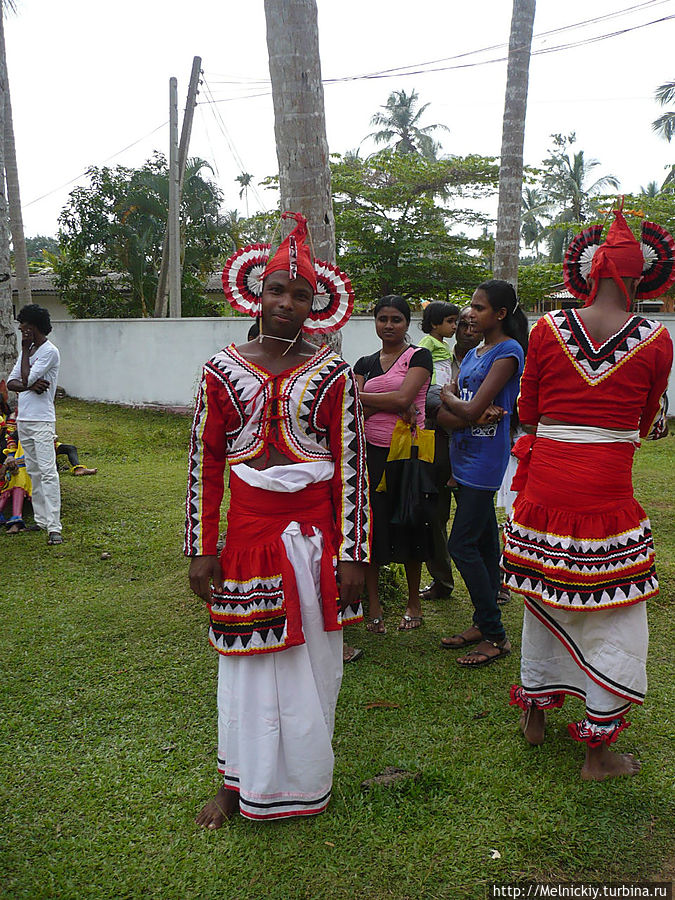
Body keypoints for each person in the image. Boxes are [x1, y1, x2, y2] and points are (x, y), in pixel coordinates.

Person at [186, 212, 370, 826]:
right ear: (254, 293)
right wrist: (199, 547)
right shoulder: (220, 369)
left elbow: (352, 469)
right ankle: (235, 782)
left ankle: (304, 780)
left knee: (311, 664)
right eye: (276, 290)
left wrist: (353, 555)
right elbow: (205, 465)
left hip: (314, 542)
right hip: (246, 537)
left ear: (318, 304)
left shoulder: (335, 372)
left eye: (300, 294)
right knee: (243, 663)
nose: (287, 303)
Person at [503, 206, 674, 780]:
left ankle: (535, 713)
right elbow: (648, 420)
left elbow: (527, 410)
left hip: (545, 483)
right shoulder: (656, 340)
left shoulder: (548, 328)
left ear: (591, 270)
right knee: (613, 615)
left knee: (544, 594)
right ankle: (597, 754)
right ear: (638, 276)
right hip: (606, 488)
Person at [437, 280, 527, 666]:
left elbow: (469, 409)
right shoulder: (475, 351)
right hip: (462, 453)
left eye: (480, 307)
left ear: (501, 314)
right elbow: (464, 410)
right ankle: (482, 621)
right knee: (487, 542)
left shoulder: (508, 352)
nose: (470, 312)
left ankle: (494, 633)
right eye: (470, 305)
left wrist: (449, 399)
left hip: (486, 458)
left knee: (461, 544)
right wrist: (460, 407)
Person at [354, 296, 433, 632]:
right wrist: (389, 401)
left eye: (396, 319)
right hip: (372, 453)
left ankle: (413, 604)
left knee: (412, 526)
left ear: (407, 323)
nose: (388, 325)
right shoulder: (364, 363)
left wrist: (365, 399)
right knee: (374, 529)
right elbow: (354, 411)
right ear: (374, 321)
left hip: (411, 453)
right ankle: (374, 608)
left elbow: (404, 398)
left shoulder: (419, 356)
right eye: (382, 318)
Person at [419, 303, 480, 603]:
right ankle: (441, 581)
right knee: (433, 516)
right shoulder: (434, 354)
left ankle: (493, 585)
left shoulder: (489, 361)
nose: (468, 330)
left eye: (473, 324)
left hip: (473, 449)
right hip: (435, 443)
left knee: (476, 516)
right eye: (462, 324)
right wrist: (463, 415)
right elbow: (428, 397)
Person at [7, 304, 62, 545]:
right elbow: (11, 382)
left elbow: (25, 378)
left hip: (42, 420)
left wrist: (27, 380)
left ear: (34, 326)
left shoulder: (50, 351)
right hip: (24, 419)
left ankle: (54, 528)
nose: (20, 328)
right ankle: (41, 521)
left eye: (24, 324)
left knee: (48, 473)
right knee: (34, 472)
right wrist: (29, 385)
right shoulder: (27, 352)